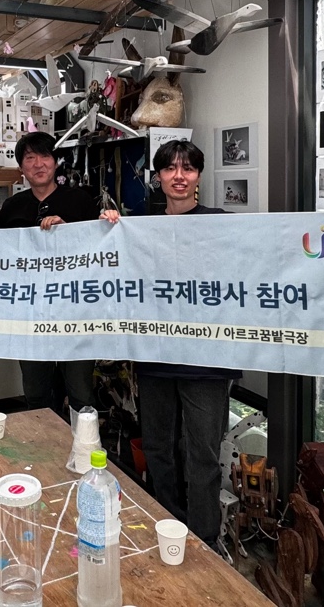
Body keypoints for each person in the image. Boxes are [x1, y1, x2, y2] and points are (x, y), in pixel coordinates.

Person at [99, 140, 238, 552]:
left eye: (188, 168)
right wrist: (108, 229)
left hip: (207, 360)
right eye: (170, 168)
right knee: (159, 447)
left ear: (198, 176)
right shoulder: (140, 227)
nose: (179, 176)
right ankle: (168, 527)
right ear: (157, 177)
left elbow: (274, 245)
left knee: (203, 454)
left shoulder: (221, 223)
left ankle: (204, 541)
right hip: (156, 356)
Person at [0, 131, 101, 416]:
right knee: (36, 393)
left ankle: (82, 444)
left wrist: (69, 235)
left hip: (76, 314)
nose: (38, 164)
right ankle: (42, 444)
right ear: (21, 167)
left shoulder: (80, 201)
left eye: (45, 156)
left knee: (81, 393)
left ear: (55, 162)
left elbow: (101, 253)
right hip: (29, 315)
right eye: (30, 158)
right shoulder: (12, 207)